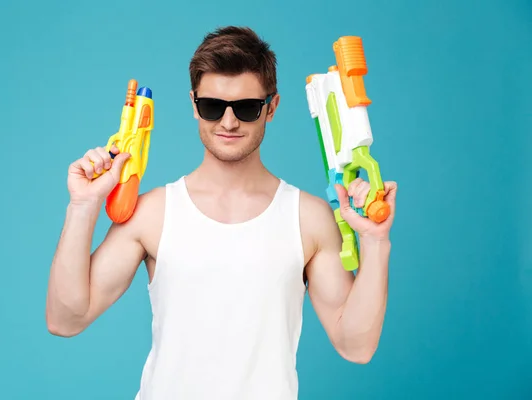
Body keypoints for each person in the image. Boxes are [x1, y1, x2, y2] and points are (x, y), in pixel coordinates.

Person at [46, 25, 397, 400]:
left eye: (246, 108)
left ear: (272, 107)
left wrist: (375, 242)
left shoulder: (307, 219)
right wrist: (83, 206)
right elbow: (66, 319)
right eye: (213, 107)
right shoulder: (153, 214)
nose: (228, 122)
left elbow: (355, 346)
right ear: (194, 104)